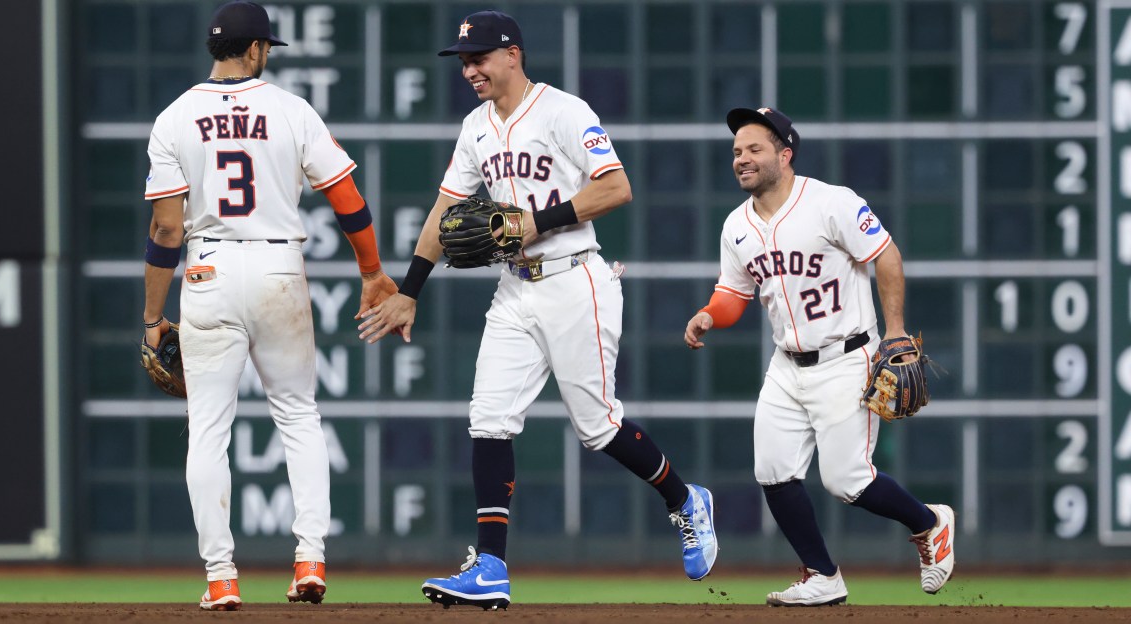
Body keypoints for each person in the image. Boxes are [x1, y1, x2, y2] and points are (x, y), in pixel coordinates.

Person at [357, 9, 717, 610]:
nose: (469, 70)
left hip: (578, 281)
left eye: (479, 58)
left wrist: (536, 221)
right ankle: (491, 564)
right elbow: (444, 218)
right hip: (516, 290)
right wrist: (409, 290)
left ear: (513, 55)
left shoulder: (563, 111)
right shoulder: (475, 127)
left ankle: (686, 501)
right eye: (464, 62)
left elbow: (616, 187)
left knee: (598, 428)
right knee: (488, 418)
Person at [141, 0, 397, 611]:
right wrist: (372, 272)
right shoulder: (291, 110)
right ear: (257, 50)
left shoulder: (173, 118)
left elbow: (167, 229)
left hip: (208, 269)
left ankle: (221, 578)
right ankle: (309, 560)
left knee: (207, 430)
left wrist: (153, 318)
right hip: (280, 265)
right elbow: (348, 199)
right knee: (298, 415)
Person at [684, 107, 956, 606]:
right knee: (772, 471)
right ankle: (822, 576)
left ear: (785, 155)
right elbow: (733, 293)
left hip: (846, 356)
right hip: (786, 364)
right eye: (737, 152)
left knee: (846, 480)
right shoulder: (736, 226)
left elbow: (886, 255)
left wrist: (894, 331)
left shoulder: (831, 203)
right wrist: (709, 314)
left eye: (754, 149)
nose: (742, 159)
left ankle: (929, 523)